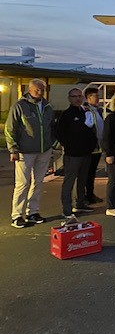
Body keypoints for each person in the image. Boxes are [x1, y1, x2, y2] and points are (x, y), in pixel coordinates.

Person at [5, 79, 55, 228]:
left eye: (42, 90)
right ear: (30, 89)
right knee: (22, 183)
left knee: (38, 182)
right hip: (25, 151)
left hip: (44, 150)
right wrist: (13, 148)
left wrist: (52, 144)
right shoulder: (20, 106)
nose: (40, 92)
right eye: (37, 89)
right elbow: (10, 128)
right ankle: (17, 215)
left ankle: (33, 212)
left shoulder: (47, 106)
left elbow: (52, 127)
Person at [56, 88, 97, 219]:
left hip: (86, 153)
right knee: (69, 182)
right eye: (74, 96)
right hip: (72, 155)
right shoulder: (66, 115)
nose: (77, 98)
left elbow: (92, 129)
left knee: (82, 180)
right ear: (69, 98)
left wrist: (91, 146)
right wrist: (69, 146)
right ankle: (67, 209)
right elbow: (59, 133)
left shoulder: (86, 113)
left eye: (79, 96)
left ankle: (80, 203)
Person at [83, 86, 104, 204]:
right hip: (91, 147)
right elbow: (88, 126)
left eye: (98, 96)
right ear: (88, 97)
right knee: (87, 172)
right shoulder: (86, 111)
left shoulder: (97, 110)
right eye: (95, 96)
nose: (98, 98)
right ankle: (86, 195)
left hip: (98, 146)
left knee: (92, 172)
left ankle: (90, 194)